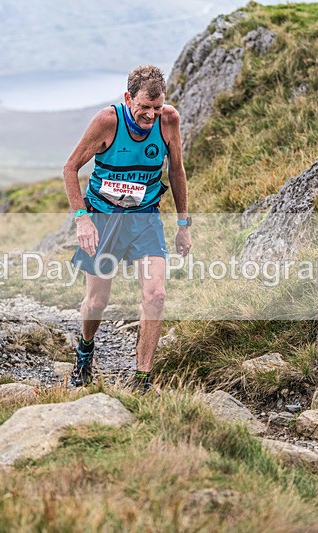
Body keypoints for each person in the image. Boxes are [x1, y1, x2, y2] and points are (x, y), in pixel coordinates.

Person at [63, 64, 191, 393]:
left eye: (157, 107)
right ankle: (85, 351)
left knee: (156, 295)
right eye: (144, 106)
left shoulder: (169, 120)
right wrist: (82, 218)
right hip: (103, 218)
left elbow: (176, 171)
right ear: (128, 98)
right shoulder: (108, 121)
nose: (151, 114)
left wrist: (183, 224)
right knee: (97, 301)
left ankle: (142, 379)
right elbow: (70, 167)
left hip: (144, 218)